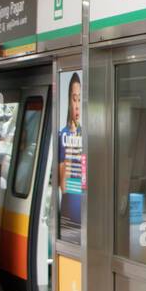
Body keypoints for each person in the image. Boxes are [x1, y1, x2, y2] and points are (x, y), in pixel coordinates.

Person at [58, 72, 84, 232]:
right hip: (69, 219)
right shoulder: (64, 135)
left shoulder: (86, 134)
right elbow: (63, 186)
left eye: (80, 99)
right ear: (69, 101)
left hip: (86, 216)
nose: (77, 105)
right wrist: (71, 149)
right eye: (74, 99)